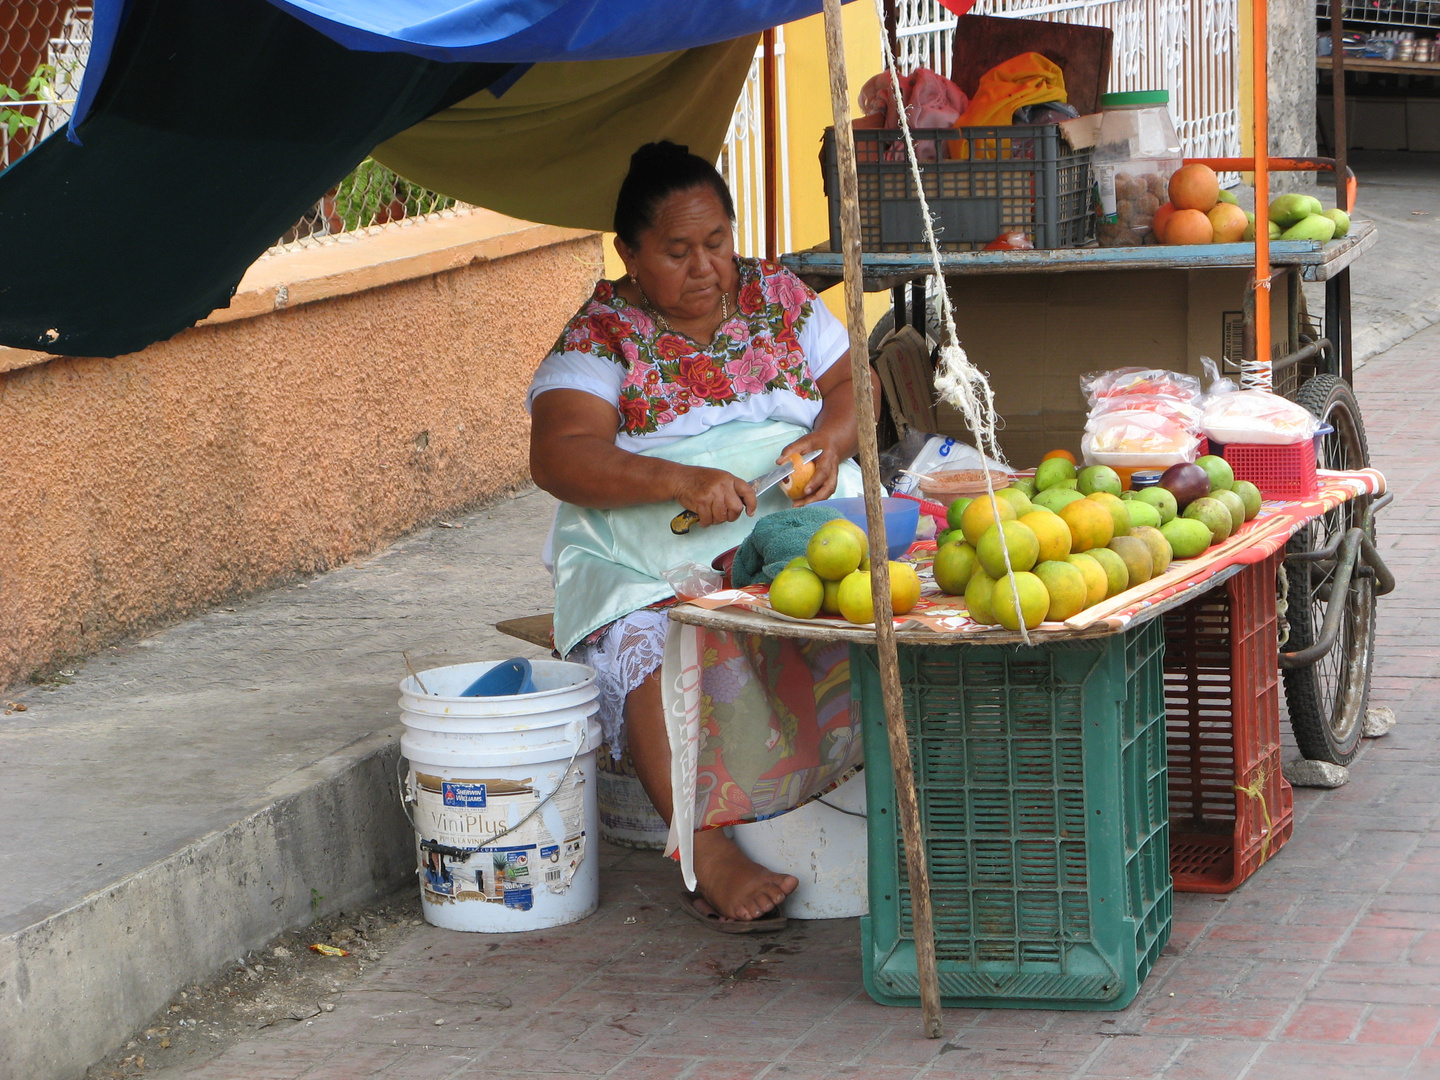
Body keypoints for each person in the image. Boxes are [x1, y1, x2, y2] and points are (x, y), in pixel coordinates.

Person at [527, 141, 876, 928]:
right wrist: (678, 480)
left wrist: (831, 441)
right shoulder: (602, 332)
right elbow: (560, 452)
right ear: (630, 254)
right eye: (677, 251)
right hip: (648, 539)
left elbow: (856, 381)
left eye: (716, 243)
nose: (705, 267)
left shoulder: (777, 294)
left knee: (868, 594)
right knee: (650, 635)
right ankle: (704, 850)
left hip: (792, 511)